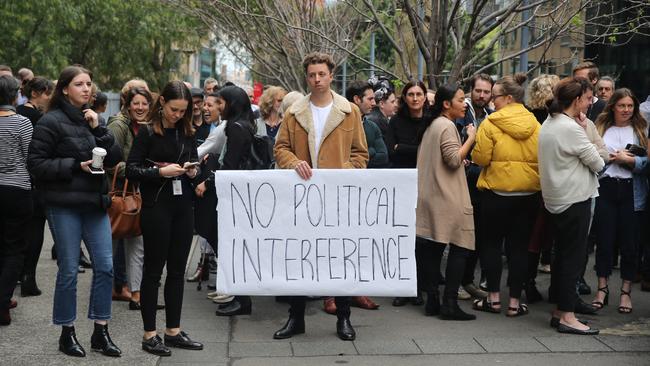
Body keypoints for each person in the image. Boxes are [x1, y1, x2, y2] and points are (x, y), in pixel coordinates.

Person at [28, 65, 122, 357]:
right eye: (79, 84)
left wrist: (99, 128)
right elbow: (36, 164)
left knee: (106, 267)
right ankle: (67, 332)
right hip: (63, 204)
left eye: (89, 84)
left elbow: (115, 158)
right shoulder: (50, 122)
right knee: (69, 269)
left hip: (94, 203)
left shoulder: (93, 120)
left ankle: (100, 331)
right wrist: (73, 165)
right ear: (65, 89)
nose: (86, 89)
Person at [273, 52, 368, 341]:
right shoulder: (294, 112)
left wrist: (342, 172)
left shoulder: (350, 111)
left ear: (331, 75)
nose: (317, 80)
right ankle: (296, 318)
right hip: (302, 197)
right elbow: (280, 149)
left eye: (322, 74)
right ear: (307, 77)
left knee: (338, 256)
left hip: (337, 197)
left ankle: (344, 318)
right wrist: (294, 163)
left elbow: (361, 155)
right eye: (312, 75)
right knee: (300, 257)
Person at [127, 80, 203, 356]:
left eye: (183, 110)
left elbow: (194, 161)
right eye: (174, 109)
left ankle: (173, 330)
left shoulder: (187, 131)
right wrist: (160, 173)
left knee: (177, 271)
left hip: (183, 205)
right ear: (162, 104)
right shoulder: (148, 132)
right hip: (156, 206)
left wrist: (193, 172)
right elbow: (131, 170)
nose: (178, 115)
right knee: (153, 271)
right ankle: (150, 334)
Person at [538, 77, 604, 335]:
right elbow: (599, 163)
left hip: (556, 199)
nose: (590, 103)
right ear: (576, 100)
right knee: (572, 260)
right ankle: (567, 315)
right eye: (588, 99)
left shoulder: (549, 122)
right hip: (574, 199)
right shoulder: (571, 128)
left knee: (563, 257)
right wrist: (586, 130)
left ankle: (560, 311)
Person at [471, 73, 540, 317]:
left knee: (491, 245)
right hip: (529, 194)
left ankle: (493, 299)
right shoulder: (535, 124)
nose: (491, 101)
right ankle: (513, 303)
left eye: (495, 96)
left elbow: (480, 158)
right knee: (519, 248)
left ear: (508, 98)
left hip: (496, 193)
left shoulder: (490, 124)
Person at [416, 84, 477, 320]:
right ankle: (449, 303)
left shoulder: (431, 125)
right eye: (461, 100)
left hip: (431, 194)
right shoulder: (447, 126)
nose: (465, 104)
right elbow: (453, 159)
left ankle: (432, 300)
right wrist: (471, 137)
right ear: (446, 104)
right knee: (461, 247)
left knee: (433, 248)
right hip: (448, 196)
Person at [591, 88, 649, 315]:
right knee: (604, 242)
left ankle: (625, 292)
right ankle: (602, 288)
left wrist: (631, 161)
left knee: (629, 244)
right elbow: (591, 157)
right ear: (613, 106)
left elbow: (647, 164)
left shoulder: (641, 130)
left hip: (632, 192)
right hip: (606, 188)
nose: (626, 110)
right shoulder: (601, 128)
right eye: (622, 105)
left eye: (630, 106)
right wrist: (608, 160)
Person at [107, 86, 162, 312]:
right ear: (128, 105)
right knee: (109, 246)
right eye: (136, 103)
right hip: (118, 195)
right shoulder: (118, 125)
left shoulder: (148, 127)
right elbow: (109, 162)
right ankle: (106, 293)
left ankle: (136, 294)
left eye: (145, 103)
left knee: (137, 245)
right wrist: (137, 170)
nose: (140, 107)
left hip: (138, 194)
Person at [388, 80, 432, 306]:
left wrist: (404, 149)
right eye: (411, 94)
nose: (415, 98)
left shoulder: (432, 121)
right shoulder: (395, 122)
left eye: (419, 94)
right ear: (404, 98)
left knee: (423, 238)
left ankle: (421, 286)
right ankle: (402, 287)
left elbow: (431, 153)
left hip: (427, 183)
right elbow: (391, 152)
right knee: (403, 236)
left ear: (425, 97)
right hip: (402, 185)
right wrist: (416, 151)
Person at [455, 73, 493, 301]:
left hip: (481, 184)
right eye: (478, 91)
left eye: (486, 92)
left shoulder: (491, 116)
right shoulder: (461, 113)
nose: (482, 95)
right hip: (461, 181)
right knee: (459, 236)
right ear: (471, 91)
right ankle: (456, 283)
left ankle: (467, 280)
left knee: (477, 236)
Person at [16, 76, 54, 297]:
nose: (49, 98)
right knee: (35, 228)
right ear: (36, 93)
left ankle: (15, 274)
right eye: (47, 93)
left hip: (13, 180)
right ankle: (28, 276)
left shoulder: (16, 113)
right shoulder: (39, 119)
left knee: (15, 231)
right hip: (34, 180)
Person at [0, 75, 33, 325]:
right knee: (14, 250)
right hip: (17, 189)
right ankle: (3, 302)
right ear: (15, 95)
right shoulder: (22, 123)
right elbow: (29, 158)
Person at [347, 80, 388, 169]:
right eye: (370, 99)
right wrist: (372, 151)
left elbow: (383, 157)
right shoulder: (342, 126)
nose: (373, 103)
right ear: (357, 99)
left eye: (374, 99)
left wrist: (361, 155)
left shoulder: (372, 127)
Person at [366, 76, 398, 149]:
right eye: (392, 102)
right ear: (382, 104)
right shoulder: (378, 122)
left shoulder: (372, 118)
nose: (396, 105)